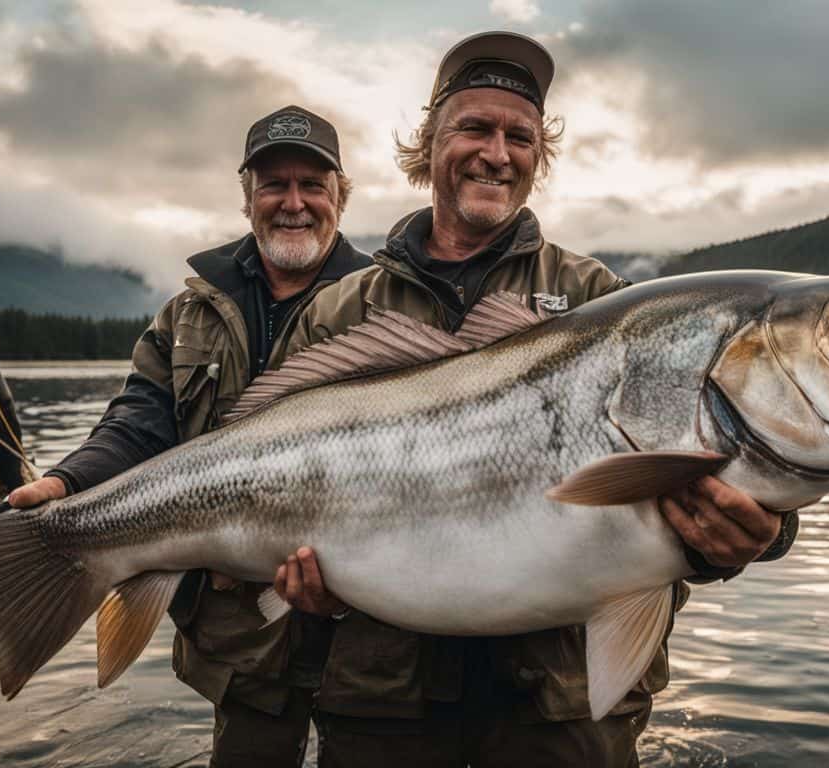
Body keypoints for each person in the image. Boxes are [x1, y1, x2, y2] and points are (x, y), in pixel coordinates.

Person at [267, 32, 800, 768]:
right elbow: (271, 471)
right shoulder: (341, 312)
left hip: (560, 707)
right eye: (475, 129)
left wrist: (756, 540)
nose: (498, 152)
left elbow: (704, 467)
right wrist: (300, 584)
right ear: (430, 142)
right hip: (383, 702)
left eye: (520, 136)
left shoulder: (599, 300)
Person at [7, 105, 371, 767]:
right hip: (239, 644)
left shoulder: (384, 302)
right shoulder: (190, 311)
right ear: (246, 197)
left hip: (370, 634)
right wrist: (68, 481)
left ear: (340, 195)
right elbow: (140, 421)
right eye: (274, 185)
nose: (294, 203)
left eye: (312, 185)